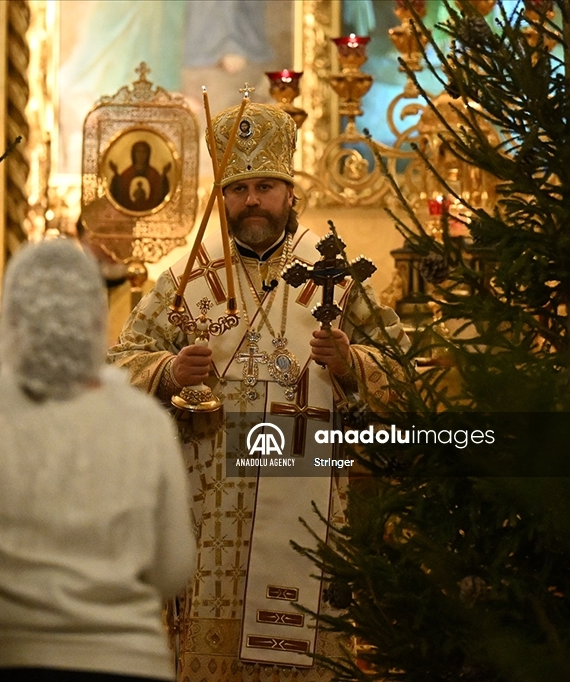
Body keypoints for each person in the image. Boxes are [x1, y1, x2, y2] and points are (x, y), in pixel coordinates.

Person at [107, 103, 409, 680]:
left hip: (308, 501)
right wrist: (168, 373)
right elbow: (118, 367)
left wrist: (350, 364)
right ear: (221, 196)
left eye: (265, 186)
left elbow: (402, 371)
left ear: (290, 192)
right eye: (239, 187)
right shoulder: (183, 276)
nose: (252, 200)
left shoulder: (336, 275)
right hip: (207, 505)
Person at [0, 238, 196, 681]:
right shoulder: (144, 423)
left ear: (12, 321)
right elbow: (173, 567)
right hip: (124, 660)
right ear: (96, 322)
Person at [109, 141, 172, 212]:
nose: (141, 155)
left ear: (148, 154)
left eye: (144, 152)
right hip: (130, 210)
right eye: (138, 152)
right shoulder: (127, 173)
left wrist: (164, 175)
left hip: (149, 209)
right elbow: (121, 192)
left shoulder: (153, 173)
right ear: (133, 154)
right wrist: (116, 175)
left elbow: (159, 193)